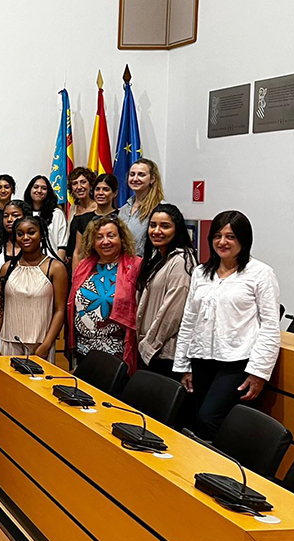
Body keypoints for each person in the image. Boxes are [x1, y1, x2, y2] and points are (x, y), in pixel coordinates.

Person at [174, 210, 280, 438]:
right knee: (195, 418)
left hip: (237, 362)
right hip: (201, 358)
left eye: (230, 237)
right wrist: (184, 365)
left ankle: (222, 460)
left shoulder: (261, 274)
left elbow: (270, 326)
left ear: (244, 239)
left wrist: (259, 372)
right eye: (217, 236)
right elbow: (189, 320)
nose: (222, 242)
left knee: (209, 418)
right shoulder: (201, 272)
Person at [68, 215, 141, 373]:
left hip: (116, 355)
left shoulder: (135, 266)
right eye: (99, 237)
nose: (105, 241)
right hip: (84, 352)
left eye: (111, 236)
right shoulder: (84, 266)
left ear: (122, 238)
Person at [0, 216, 68, 360]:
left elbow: (60, 311)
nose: (25, 237)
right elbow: (0, 307)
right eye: (20, 234)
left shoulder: (55, 268)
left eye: (31, 232)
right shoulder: (7, 268)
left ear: (41, 235)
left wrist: (46, 345)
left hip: (40, 346)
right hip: (8, 343)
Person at [136, 204, 197, 379]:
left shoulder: (181, 261)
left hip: (164, 353)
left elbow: (172, 314)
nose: (157, 231)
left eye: (165, 226)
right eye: (153, 225)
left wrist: (148, 346)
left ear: (177, 230)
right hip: (153, 351)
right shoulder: (158, 258)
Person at [118, 159, 169, 256]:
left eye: (141, 175)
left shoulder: (161, 209)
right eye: (132, 174)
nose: (135, 179)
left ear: (152, 179)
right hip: (123, 263)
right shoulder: (124, 209)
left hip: (148, 263)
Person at [67, 174, 119, 264]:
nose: (100, 193)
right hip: (89, 268)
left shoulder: (121, 217)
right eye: (97, 189)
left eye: (106, 189)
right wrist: (76, 272)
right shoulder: (83, 219)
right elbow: (78, 253)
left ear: (115, 193)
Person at [24, 175, 68, 260]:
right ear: (30, 190)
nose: (39, 191)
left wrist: (57, 265)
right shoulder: (23, 213)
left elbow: (62, 246)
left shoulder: (57, 214)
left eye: (43, 188)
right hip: (28, 263)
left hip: (52, 263)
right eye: (36, 187)